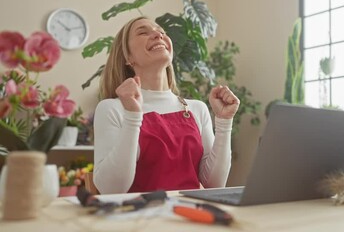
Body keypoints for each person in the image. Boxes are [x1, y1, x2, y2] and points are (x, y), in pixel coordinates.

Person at [93, 16, 240, 194]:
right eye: (143, 32)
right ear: (127, 57)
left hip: (191, 215)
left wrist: (224, 122)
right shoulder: (112, 109)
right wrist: (132, 117)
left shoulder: (197, 109)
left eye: (162, 32)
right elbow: (111, 190)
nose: (157, 34)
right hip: (139, 217)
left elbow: (214, 185)